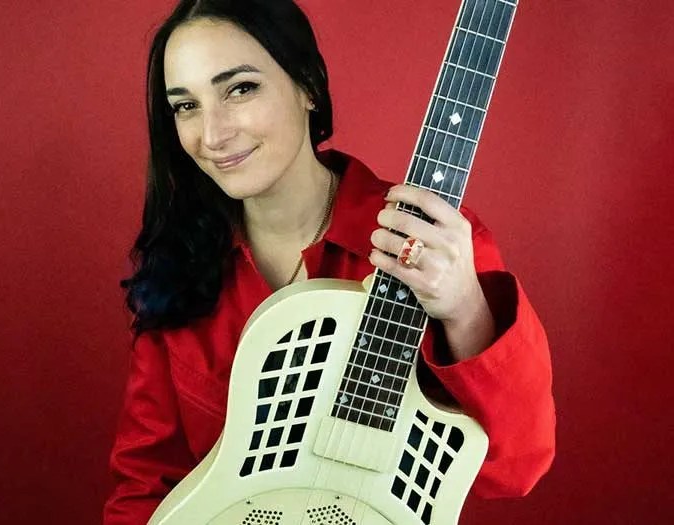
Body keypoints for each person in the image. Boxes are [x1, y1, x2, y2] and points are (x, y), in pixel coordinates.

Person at [102, 0, 556, 523]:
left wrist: (464, 308)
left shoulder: (434, 244)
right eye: (186, 106)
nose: (213, 134)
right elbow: (143, 487)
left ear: (308, 85)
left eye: (240, 89)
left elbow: (515, 469)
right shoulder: (180, 266)